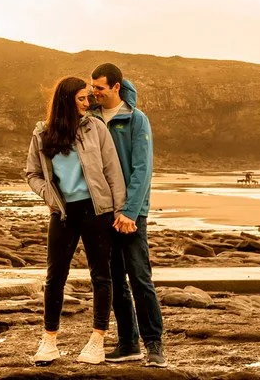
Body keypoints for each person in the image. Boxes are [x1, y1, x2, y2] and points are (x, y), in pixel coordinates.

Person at [23, 75, 127, 365]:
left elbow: (112, 171)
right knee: (55, 276)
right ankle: (49, 340)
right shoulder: (43, 134)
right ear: (66, 100)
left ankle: (97, 341)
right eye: (82, 98)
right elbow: (32, 173)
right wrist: (49, 196)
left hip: (97, 211)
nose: (87, 102)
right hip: (64, 213)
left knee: (101, 276)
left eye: (88, 97)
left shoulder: (96, 128)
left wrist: (120, 211)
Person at [89, 63, 166, 368]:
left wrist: (131, 211)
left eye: (100, 88)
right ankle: (128, 344)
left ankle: (154, 345)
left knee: (140, 278)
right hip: (103, 212)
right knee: (114, 280)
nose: (94, 92)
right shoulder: (91, 119)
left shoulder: (136, 119)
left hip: (132, 214)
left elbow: (142, 169)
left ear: (116, 87)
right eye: (92, 87)